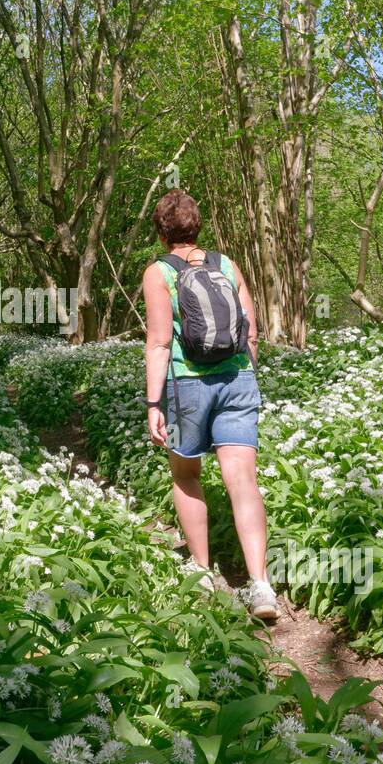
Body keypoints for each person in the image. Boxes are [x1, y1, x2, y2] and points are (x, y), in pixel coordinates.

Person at [141, 189, 278, 621]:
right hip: (238, 379)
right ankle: (261, 585)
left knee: (186, 475)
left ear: (162, 234)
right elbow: (251, 332)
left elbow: (160, 342)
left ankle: (201, 571)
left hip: (188, 385)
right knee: (243, 481)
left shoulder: (158, 273)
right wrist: (245, 376)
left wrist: (152, 402)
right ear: (197, 226)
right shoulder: (226, 264)